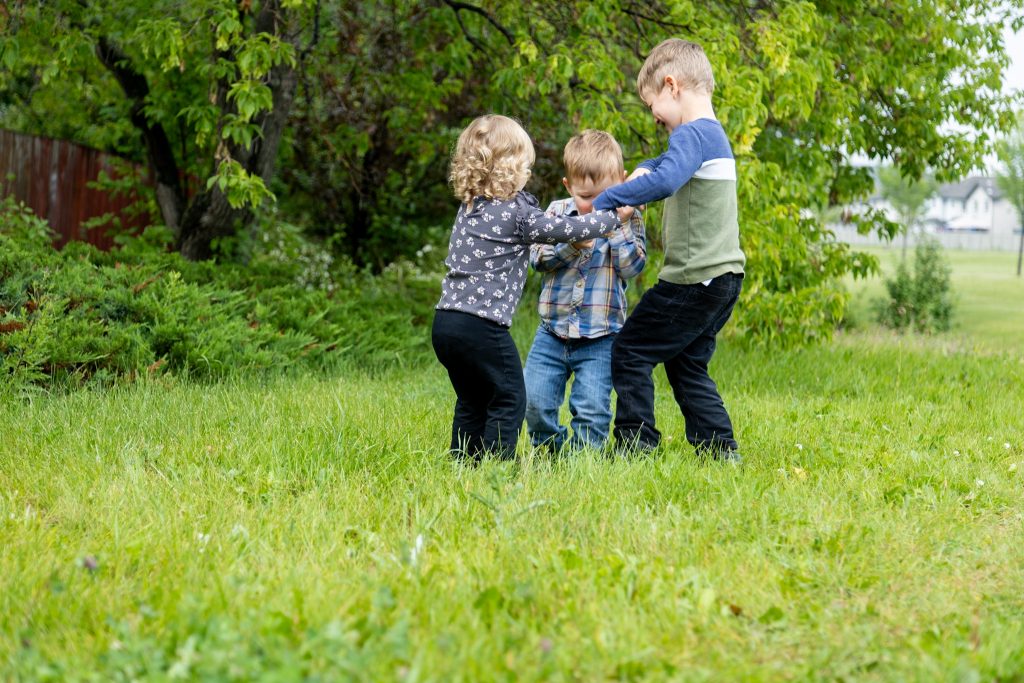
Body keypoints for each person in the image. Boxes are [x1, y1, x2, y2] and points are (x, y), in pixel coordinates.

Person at [432, 114, 631, 461]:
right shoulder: (517, 212)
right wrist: (617, 217)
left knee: (473, 398)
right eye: (526, 164)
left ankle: (464, 462)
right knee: (510, 396)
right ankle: (497, 468)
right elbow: (566, 231)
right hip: (482, 325)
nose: (528, 172)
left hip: (446, 323)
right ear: (512, 167)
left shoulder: (471, 206)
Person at [591, 38, 746, 462]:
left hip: (692, 281)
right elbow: (666, 164)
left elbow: (666, 180)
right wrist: (649, 166)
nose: (655, 116)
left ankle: (635, 446)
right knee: (686, 366)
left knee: (631, 350)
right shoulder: (711, 135)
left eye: (652, 105)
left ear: (672, 86)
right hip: (724, 280)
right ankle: (719, 450)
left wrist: (609, 198)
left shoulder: (691, 134)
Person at [523, 130, 647, 452]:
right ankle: (549, 451)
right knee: (534, 403)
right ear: (568, 186)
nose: (596, 205)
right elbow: (537, 258)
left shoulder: (629, 219)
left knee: (592, 410)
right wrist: (570, 245)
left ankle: (583, 464)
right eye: (586, 196)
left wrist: (618, 226)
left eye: (607, 194)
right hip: (552, 331)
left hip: (600, 338)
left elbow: (632, 268)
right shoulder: (557, 213)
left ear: (622, 181)